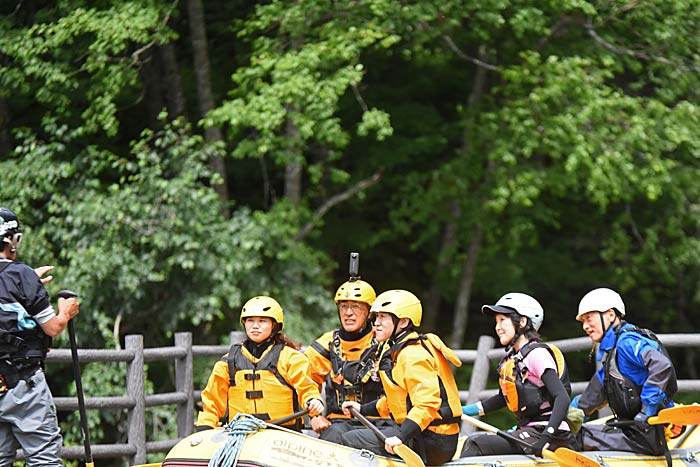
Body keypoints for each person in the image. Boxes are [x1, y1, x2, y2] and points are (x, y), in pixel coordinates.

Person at [340, 289, 463, 465]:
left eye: (383, 317)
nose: (376, 324)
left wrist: (400, 436)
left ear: (403, 321)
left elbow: (427, 404)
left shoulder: (413, 355)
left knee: (350, 439)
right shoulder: (399, 350)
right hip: (422, 434)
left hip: (435, 440)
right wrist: (361, 408)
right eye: (376, 318)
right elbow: (398, 401)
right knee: (350, 434)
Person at [0, 207, 80, 466]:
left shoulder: (22, 278)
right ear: (11, 240)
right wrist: (66, 312)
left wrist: (29, 282)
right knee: (44, 459)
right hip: (23, 386)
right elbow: (53, 328)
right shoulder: (21, 276)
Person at [460, 293, 575, 458]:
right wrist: (462, 410)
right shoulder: (514, 359)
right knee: (471, 439)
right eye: (496, 321)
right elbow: (501, 399)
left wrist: (546, 436)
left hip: (551, 434)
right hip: (529, 431)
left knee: (477, 444)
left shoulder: (537, 354)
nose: (497, 327)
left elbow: (562, 397)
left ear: (522, 322)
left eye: (502, 320)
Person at [570, 287, 678, 456]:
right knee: (571, 433)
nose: (585, 326)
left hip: (648, 433)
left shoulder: (627, 342)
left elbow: (661, 366)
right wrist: (566, 418)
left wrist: (647, 410)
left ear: (611, 315)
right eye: (583, 321)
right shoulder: (612, 355)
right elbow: (591, 397)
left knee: (576, 438)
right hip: (631, 430)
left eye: (589, 318)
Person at [195, 295, 324, 431]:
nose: (255, 326)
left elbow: (306, 388)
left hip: (283, 432)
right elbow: (212, 402)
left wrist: (312, 401)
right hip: (241, 432)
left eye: (262, 321)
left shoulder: (290, 358)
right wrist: (205, 426)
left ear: (274, 325)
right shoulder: (228, 362)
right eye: (250, 321)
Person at [305, 278, 388, 443]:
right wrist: (314, 415)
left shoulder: (384, 342)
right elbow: (306, 381)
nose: (348, 313)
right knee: (333, 436)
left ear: (370, 312)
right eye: (343, 306)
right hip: (339, 421)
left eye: (356, 306)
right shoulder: (326, 343)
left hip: (379, 421)